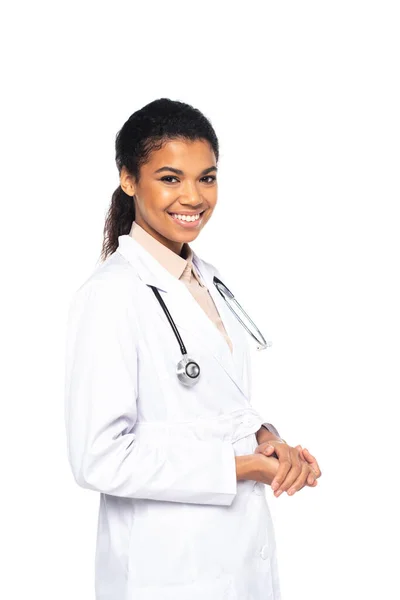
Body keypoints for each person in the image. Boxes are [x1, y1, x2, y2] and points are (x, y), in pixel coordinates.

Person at [64, 98, 321, 600]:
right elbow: (98, 458)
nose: (194, 196)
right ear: (129, 179)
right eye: (170, 177)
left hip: (236, 557)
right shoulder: (111, 295)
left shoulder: (210, 278)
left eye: (207, 177)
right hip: (164, 571)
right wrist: (242, 466)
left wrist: (268, 439)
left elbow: (216, 404)